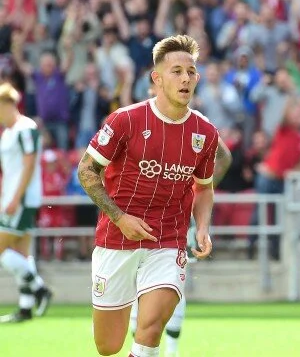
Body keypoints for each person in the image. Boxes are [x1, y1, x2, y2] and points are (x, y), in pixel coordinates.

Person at [78, 35, 220, 357]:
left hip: (168, 240)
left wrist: (201, 228)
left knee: (151, 327)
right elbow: (86, 171)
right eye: (177, 71)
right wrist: (119, 217)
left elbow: (204, 186)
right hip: (117, 238)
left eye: (191, 71)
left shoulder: (205, 133)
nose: (186, 78)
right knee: (107, 345)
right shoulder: (125, 120)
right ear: (157, 78)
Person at [127, 78, 234, 357]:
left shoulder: (196, 122)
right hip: (138, 213)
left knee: (172, 279)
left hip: (175, 216)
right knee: (135, 279)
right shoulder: (135, 118)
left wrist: (200, 190)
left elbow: (223, 157)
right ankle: (140, 340)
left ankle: (171, 348)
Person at [0, 83, 53, 323]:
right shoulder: (8, 133)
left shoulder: (25, 128)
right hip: (12, 197)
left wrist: (15, 197)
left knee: (4, 250)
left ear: (8, 104)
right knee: (21, 252)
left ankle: (41, 289)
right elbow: (9, 170)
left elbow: (29, 164)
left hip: (21, 199)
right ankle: (25, 307)